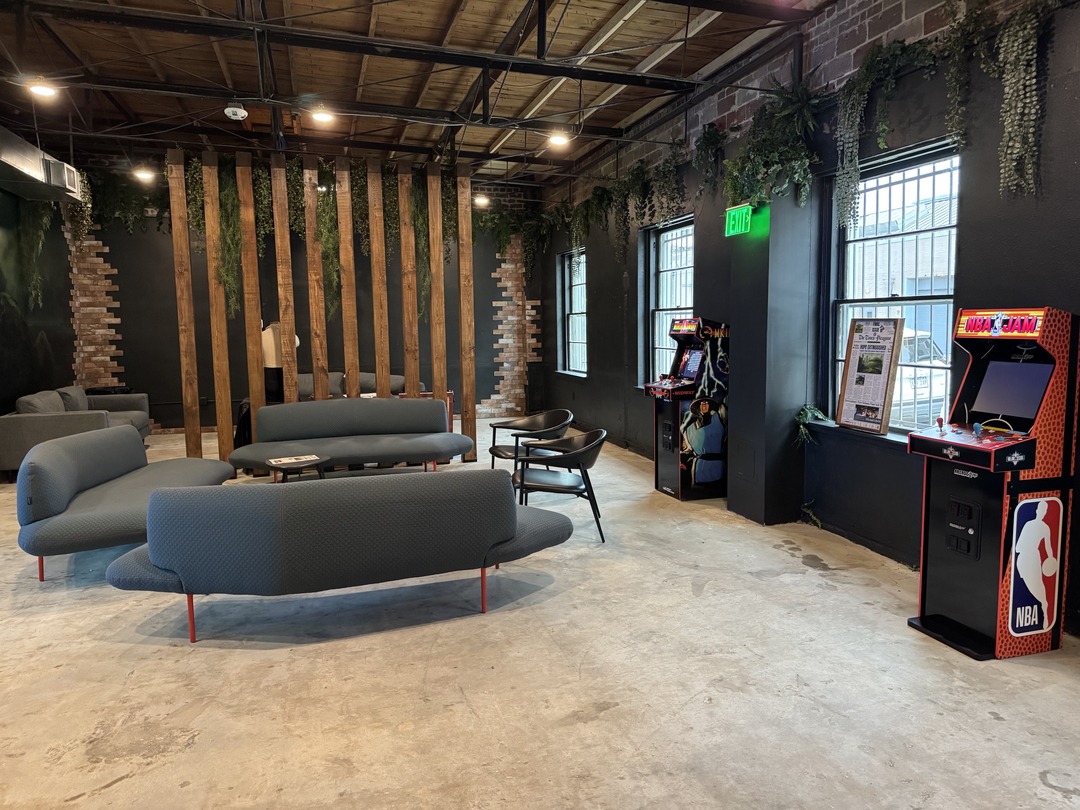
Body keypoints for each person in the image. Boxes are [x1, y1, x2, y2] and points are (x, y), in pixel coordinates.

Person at [1015, 500, 1057, 630]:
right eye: (1041, 510)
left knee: (1037, 584)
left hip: (1031, 557)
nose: (1042, 513)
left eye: (1044, 511)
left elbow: (1048, 547)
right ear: (1038, 510)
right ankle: (1043, 606)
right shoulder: (1032, 525)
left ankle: (1044, 608)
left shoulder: (1043, 527)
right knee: (1031, 585)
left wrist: (1051, 559)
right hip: (1026, 558)